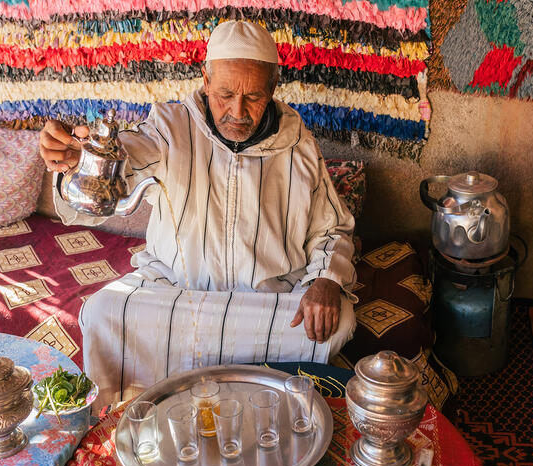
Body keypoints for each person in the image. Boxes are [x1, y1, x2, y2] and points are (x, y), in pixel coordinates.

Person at [39, 20, 356, 404]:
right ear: (205, 81)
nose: (237, 111)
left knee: (338, 320)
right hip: (176, 292)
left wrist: (326, 280)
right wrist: (81, 161)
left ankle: (199, 383)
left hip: (262, 302)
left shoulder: (298, 144)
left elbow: (332, 229)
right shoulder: (169, 128)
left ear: (273, 87)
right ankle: (153, 409)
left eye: (253, 96)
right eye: (225, 94)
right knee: (103, 311)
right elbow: (127, 159)